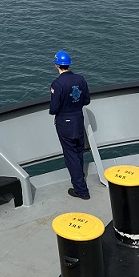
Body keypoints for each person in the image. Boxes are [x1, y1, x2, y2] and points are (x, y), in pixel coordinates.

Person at [49, 50, 91, 200]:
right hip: (78, 119)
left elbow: (54, 108)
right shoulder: (80, 79)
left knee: (70, 154)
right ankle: (80, 177)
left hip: (65, 123)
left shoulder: (57, 83)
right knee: (79, 151)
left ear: (56, 65)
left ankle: (81, 190)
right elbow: (86, 100)